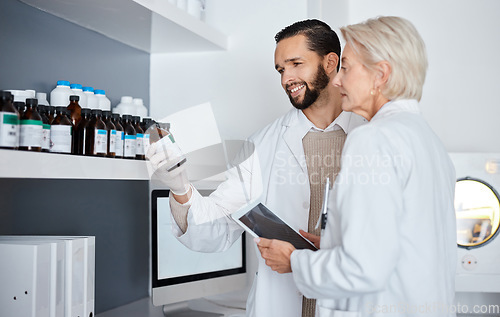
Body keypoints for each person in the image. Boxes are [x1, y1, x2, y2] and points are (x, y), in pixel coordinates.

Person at [147, 19, 365, 317]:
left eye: (295, 64)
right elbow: (216, 229)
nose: (286, 78)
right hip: (283, 306)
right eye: (280, 69)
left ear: (330, 62)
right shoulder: (262, 145)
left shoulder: (369, 135)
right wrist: (180, 187)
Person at [256, 16, 457, 316]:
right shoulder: (427, 140)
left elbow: (363, 270)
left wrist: (294, 261)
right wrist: (334, 243)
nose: (337, 80)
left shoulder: (373, 139)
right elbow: (402, 244)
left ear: (381, 75)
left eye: (346, 68)